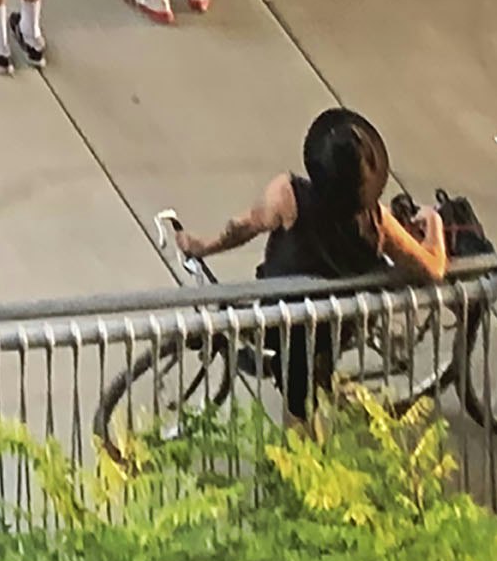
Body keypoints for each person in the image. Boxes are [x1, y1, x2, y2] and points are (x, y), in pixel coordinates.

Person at [183, 105, 447, 418]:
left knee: (299, 413)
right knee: (307, 392)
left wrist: (201, 246)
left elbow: (242, 228)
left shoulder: (287, 196)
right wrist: (434, 223)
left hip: (282, 315)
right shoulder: (376, 224)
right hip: (332, 326)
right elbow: (433, 268)